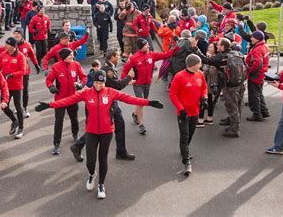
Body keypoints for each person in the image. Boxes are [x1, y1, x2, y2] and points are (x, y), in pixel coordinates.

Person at [35, 70, 164, 199]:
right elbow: (68, 100)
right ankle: (92, 175)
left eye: (101, 83)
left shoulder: (110, 92)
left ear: (104, 82)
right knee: (90, 161)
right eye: (96, 82)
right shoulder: (86, 93)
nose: (99, 85)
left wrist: (148, 102)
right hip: (91, 131)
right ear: (93, 82)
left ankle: (101, 184)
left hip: (107, 132)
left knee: (103, 159)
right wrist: (50, 105)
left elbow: (129, 98)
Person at [121, 38, 177, 134]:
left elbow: (166, 55)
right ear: (141, 47)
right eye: (146, 45)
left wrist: (177, 48)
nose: (148, 46)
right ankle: (141, 125)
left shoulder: (152, 55)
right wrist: (126, 81)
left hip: (148, 83)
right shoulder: (134, 58)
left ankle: (135, 114)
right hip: (138, 84)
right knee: (141, 102)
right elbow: (125, 69)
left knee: (143, 102)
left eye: (148, 44)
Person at [197, 38, 245, 138]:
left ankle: (234, 130)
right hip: (240, 83)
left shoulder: (221, 57)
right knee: (238, 105)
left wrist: (195, 49)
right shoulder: (236, 53)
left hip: (230, 86)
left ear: (223, 47)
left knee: (232, 107)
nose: (216, 46)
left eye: (218, 45)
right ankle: (232, 123)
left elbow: (207, 60)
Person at [169, 54, 207, 175]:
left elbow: (203, 88)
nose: (200, 65)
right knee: (184, 136)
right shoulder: (179, 77)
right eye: (199, 63)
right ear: (193, 65)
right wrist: (180, 108)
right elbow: (172, 94)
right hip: (184, 113)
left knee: (190, 134)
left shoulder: (200, 74)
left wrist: (204, 98)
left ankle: (184, 149)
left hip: (195, 111)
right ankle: (186, 161)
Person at [45, 48, 87, 155]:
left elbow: (83, 77)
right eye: (70, 55)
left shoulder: (76, 65)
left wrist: (81, 84)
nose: (72, 57)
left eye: (72, 55)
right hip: (60, 99)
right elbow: (49, 80)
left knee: (74, 118)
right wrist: (51, 87)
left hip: (73, 98)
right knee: (59, 121)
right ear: (64, 57)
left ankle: (75, 135)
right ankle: (56, 144)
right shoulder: (56, 67)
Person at [0, 37, 26, 139]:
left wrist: (11, 75)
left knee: (18, 107)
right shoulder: (3, 54)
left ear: (13, 46)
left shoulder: (20, 56)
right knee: (4, 106)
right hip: (5, 86)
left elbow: (23, 71)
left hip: (17, 86)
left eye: (8, 44)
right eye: (6, 44)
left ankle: (21, 128)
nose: (6, 46)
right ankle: (14, 120)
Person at [245, 31, 271, 122]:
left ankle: (257, 114)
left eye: (253, 37)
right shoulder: (264, 46)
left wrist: (249, 70)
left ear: (257, 38)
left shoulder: (257, 49)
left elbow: (257, 64)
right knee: (259, 93)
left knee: (254, 95)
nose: (251, 38)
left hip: (256, 74)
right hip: (261, 73)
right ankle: (264, 111)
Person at [198, 42, 219, 127]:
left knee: (203, 101)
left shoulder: (214, 59)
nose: (208, 49)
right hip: (211, 84)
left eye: (211, 47)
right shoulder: (212, 57)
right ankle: (209, 118)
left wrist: (205, 67)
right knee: (210, 101)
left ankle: (200, 120)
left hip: (208, 83)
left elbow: (212, 72)